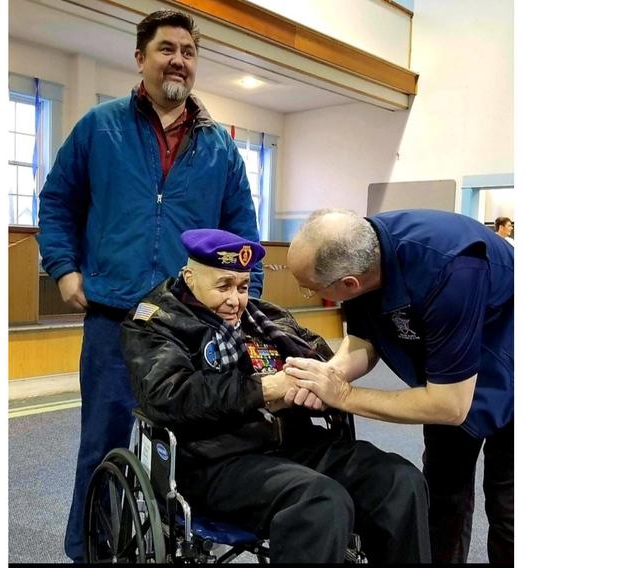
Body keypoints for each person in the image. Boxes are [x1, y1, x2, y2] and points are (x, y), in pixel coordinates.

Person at [36, 10, 262, 562]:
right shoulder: (100, 126)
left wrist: (244, 292)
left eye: (187, 50)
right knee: (102, 444)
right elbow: (58, 202)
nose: (178, 60)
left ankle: (180, 546)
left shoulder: (219, 147)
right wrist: (64, 269)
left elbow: (243, 230)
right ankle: (90, 551)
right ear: (141, 57)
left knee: (192, 445)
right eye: (166, 48)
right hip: (114, 317)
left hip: (189, 324)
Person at [120, 228, 432, 563]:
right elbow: (169, 395)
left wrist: (313, 383)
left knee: (400, 482)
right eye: (223, 286)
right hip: (215, 459)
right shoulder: (155, 322)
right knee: (320, 503)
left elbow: (322, 361)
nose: (235, 300)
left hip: (293, 443)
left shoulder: (264, 316)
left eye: (242, 287)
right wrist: (266, 389)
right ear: (189, 276)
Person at [284, 208, 514, 564]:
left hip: (510, 352)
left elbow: (449, 406)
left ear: (347, 284)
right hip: (446, 365)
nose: (304, 292)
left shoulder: (450, 269)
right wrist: (328, 375)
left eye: (310, 288)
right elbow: (364, 340)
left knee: (508, 501)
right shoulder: (362, 250)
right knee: (443, 494)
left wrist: (343, 395)